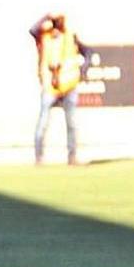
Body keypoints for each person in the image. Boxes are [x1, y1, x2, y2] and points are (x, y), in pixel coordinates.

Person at [29, 13, 91, 165]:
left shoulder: (70, 37)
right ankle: (39, 158)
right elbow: (32, 30)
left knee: (71, 123)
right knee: (43, 122)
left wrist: (83, 70)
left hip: (69, 84)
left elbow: (88, 52)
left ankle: (72, 157)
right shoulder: (44, 36)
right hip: (50, 86)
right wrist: (46, 17)